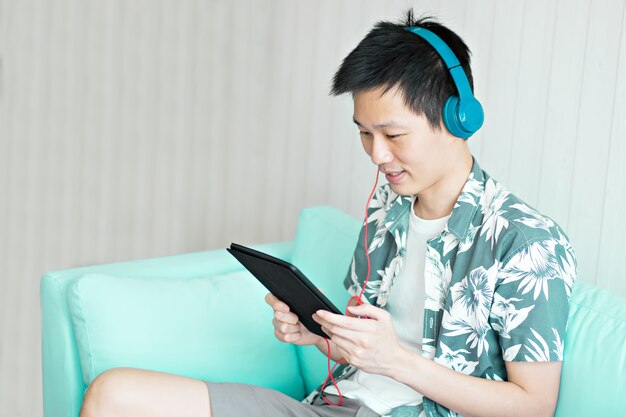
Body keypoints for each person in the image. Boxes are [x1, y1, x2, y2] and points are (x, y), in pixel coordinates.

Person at [79, 10, 577, 417]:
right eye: (364, 133)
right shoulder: (388, 211)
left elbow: (534, 406)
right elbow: (364, 354)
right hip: (337, 407)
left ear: (456, 118)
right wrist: (315, 335)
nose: (377, 155)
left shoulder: (526, 240)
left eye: (393, 135)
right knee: (114, 394)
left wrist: (400, 363)